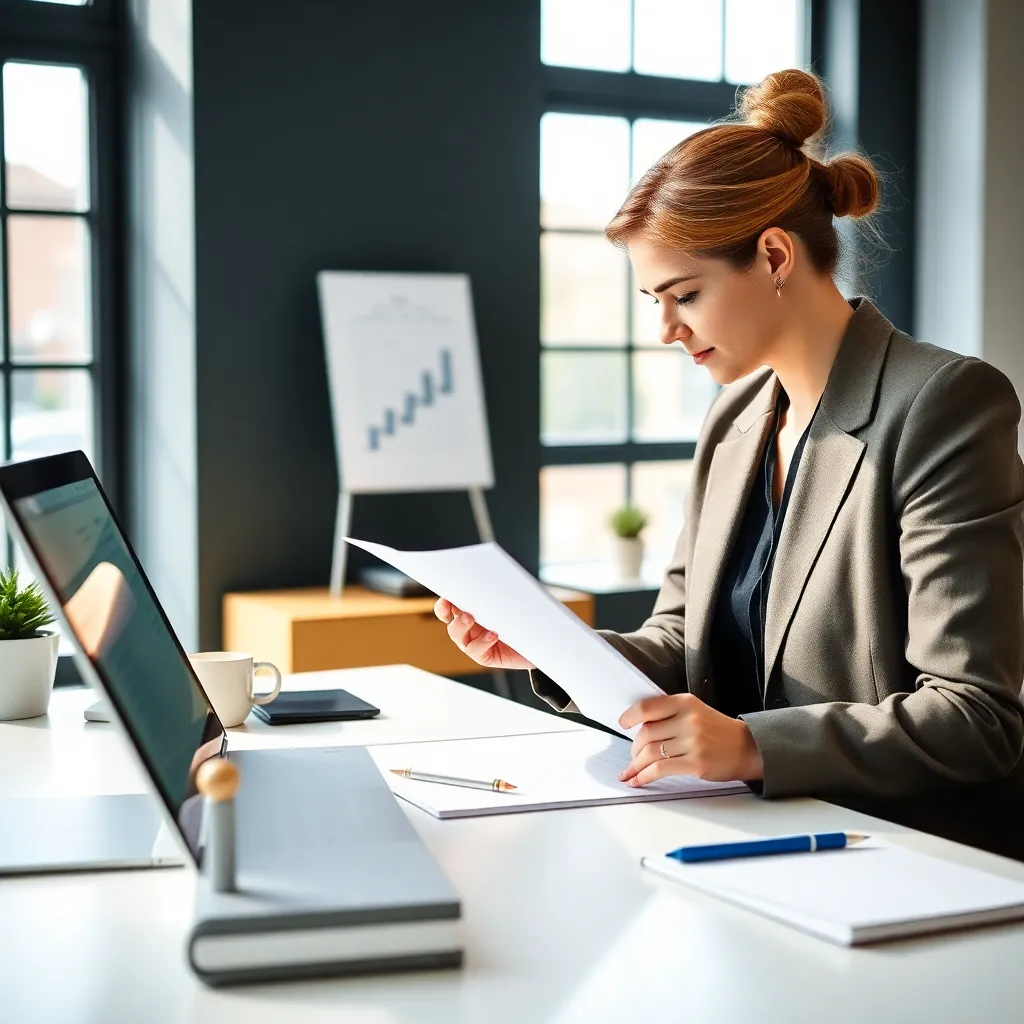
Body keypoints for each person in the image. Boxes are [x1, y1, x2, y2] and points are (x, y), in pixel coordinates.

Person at [435, 68, 1024, 860]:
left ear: (774, 255)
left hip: (899, 855)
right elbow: (684, 639)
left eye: (684, 295)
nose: (666, 330)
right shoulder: (734, 420)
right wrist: (554, 648)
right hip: (746, 836)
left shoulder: (942, 404)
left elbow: (975, 718)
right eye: (654, 302)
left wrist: (751, 745)